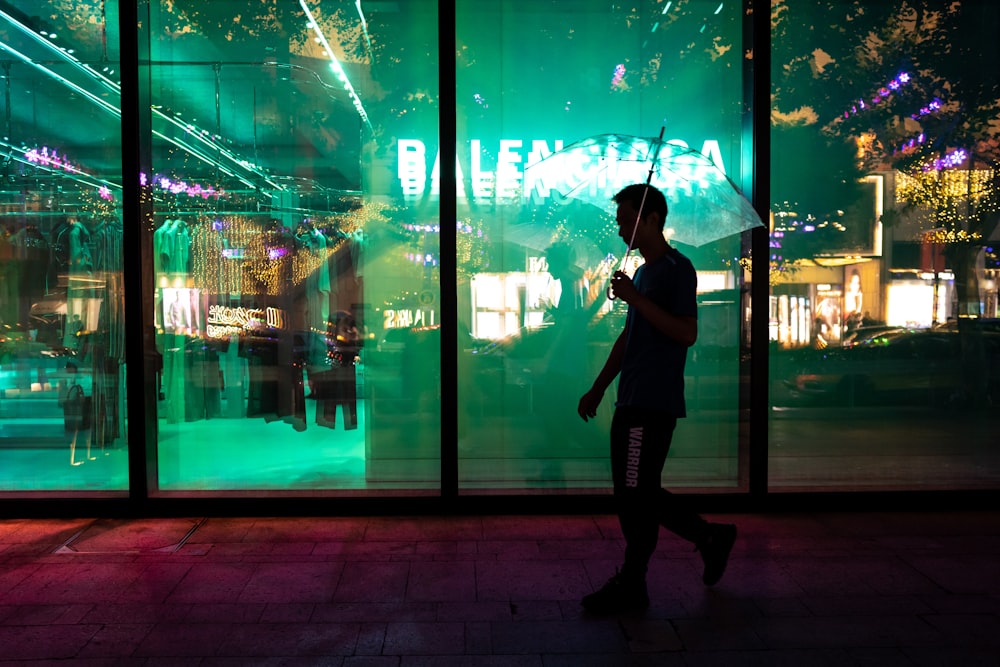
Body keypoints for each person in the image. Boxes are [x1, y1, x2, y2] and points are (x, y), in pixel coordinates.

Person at [577, 183, 737, 615]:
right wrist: (600, 385)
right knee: (635, 492)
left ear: (652, 219)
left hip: (653, 402)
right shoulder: (644, 274)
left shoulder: (676, 269)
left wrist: (635, 299)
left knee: (635, 493)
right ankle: (705, 539)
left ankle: (637, 580)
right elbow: (630, 337)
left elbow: (686, 332)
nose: (620, 229)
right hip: (632, 398)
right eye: (619, 222)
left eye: (626, 220)